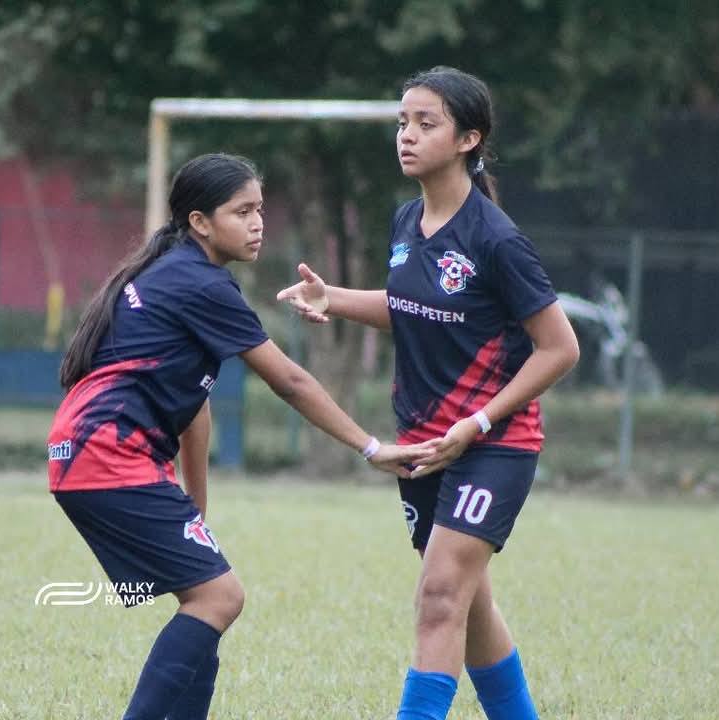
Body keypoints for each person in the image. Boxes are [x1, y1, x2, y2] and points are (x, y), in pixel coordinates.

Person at [48, 153, 436, 720]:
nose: (258, 223)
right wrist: (371, 447)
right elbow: (290, 381)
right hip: (106, 455)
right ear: (200, 222)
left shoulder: (174, 271)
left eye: (260, 210)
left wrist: (196, 510)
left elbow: (194, 410)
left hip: (84, 454)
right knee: (220, 597)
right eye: (242, 212)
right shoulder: (202, 284)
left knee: (205, 597)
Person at [277, 68, 580, 720]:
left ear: (469, 138)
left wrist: (479, 422)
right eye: (402, 122)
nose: (406, 136)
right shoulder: (406, 220)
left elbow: (561, 348)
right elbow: (411, 307)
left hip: (492, 444)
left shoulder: (497, 239)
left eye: (425, 123)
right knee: (468, 603)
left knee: (440, 596)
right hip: (422, 443)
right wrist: (333, 298)